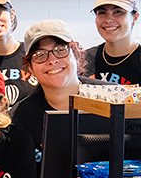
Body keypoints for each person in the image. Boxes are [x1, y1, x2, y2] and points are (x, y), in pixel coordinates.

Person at [11, 20, 104, 158]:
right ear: (30, 68)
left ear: (75, 55)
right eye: (40, 55)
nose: (52, 60)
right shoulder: (21, 117)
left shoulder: (112, 98)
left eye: (61, 50)